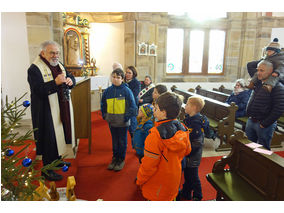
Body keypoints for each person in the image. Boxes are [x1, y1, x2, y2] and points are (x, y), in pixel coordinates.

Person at [27, 41, 75, 181]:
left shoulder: (59, 65)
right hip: (45, 110)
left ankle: (57, 161)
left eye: (57, 53)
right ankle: (47, 170)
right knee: (49, 138)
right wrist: (56, 83)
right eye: (52, 53)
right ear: (43, 53)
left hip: (61, 105)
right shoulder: (34, 69)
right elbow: (38, 90)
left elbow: (69, 75)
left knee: (59, 134)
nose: (56, 56)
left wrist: (71, 81)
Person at [136, 92, 191, 201]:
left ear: (164, 112)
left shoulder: (155, 135)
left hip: (158, 182)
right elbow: (187, 150)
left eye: (156, 109)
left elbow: (148, 166)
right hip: (174, 177)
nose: (154, 112)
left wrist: (140, 179)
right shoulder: (183, 128)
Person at [177, 96, 212, 201]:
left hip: (193, 154)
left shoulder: (196, 122)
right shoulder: (189, 118)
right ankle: (186, 192)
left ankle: (198, 195)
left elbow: (197, 142)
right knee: (187, 175)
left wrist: (188, 152)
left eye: (187, 104)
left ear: (194, 107)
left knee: (193, 176)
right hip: (189, 152)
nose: (185, 106)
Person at [101, 68, 137, 171]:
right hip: (112, 122)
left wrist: (126, 117)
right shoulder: (108, 91)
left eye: (118, 77)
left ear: (122, 79)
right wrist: (105, 116)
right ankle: (115, 158)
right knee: (114, 140)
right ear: (111, 78)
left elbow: (133, 107)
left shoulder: (126, 91)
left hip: (123, 122)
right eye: (114, 77)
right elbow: (103, 104)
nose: (116, 79)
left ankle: (121, 159)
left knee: (122, 141)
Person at [245, 60, 284, 150]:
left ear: (270, 71)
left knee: (263, 149)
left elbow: (279, 109)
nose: (258, 73)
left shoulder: (278, 87)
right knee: (251, 146)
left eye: (261, 70)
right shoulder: (258, 83)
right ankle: (253, 162)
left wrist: (265, 123)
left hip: (263, 123)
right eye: (257, 70)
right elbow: (250, 65)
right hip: (252, 120)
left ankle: (261, 164)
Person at [124, 66, 141, 147]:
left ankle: (135, 145)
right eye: (126, 72)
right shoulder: (123, 81)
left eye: (129, 73)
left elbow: (134, 96)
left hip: (132, 108)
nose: (127, 74)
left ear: (133, 74)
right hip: (123, 108)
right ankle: (124, 144)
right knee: (123, 128)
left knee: (132, 128)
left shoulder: (136, 83)